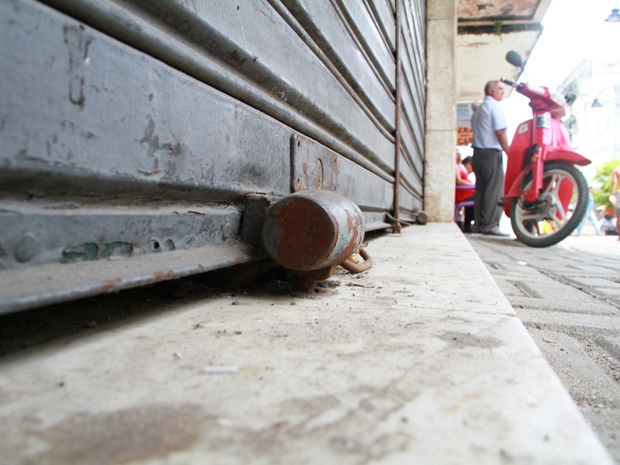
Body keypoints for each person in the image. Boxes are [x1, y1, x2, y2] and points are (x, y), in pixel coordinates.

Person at [470, 81, 510, 236]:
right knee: (494, 190)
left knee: (481, 190)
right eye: (500, 89)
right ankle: (490, 226)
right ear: (490, 91)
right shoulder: (494, 107)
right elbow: (500, 132)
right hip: (490, 153)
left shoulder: (478, 110)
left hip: (477, 154)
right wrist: (509, 151)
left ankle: (479, 225)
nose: (503, 92)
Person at [455, 153, 475, 232]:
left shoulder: (459, 166)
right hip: (462, 193)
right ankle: (468, 224)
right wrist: (472, 185)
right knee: (479, 200)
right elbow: (458, 181)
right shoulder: (456, 166)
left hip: (467, 191)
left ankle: (468, 223)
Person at [610, 166, 620, 241]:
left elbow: (614, 182)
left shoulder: (617, 169)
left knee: (619, 216)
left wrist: (612, 194)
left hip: (619, 193)